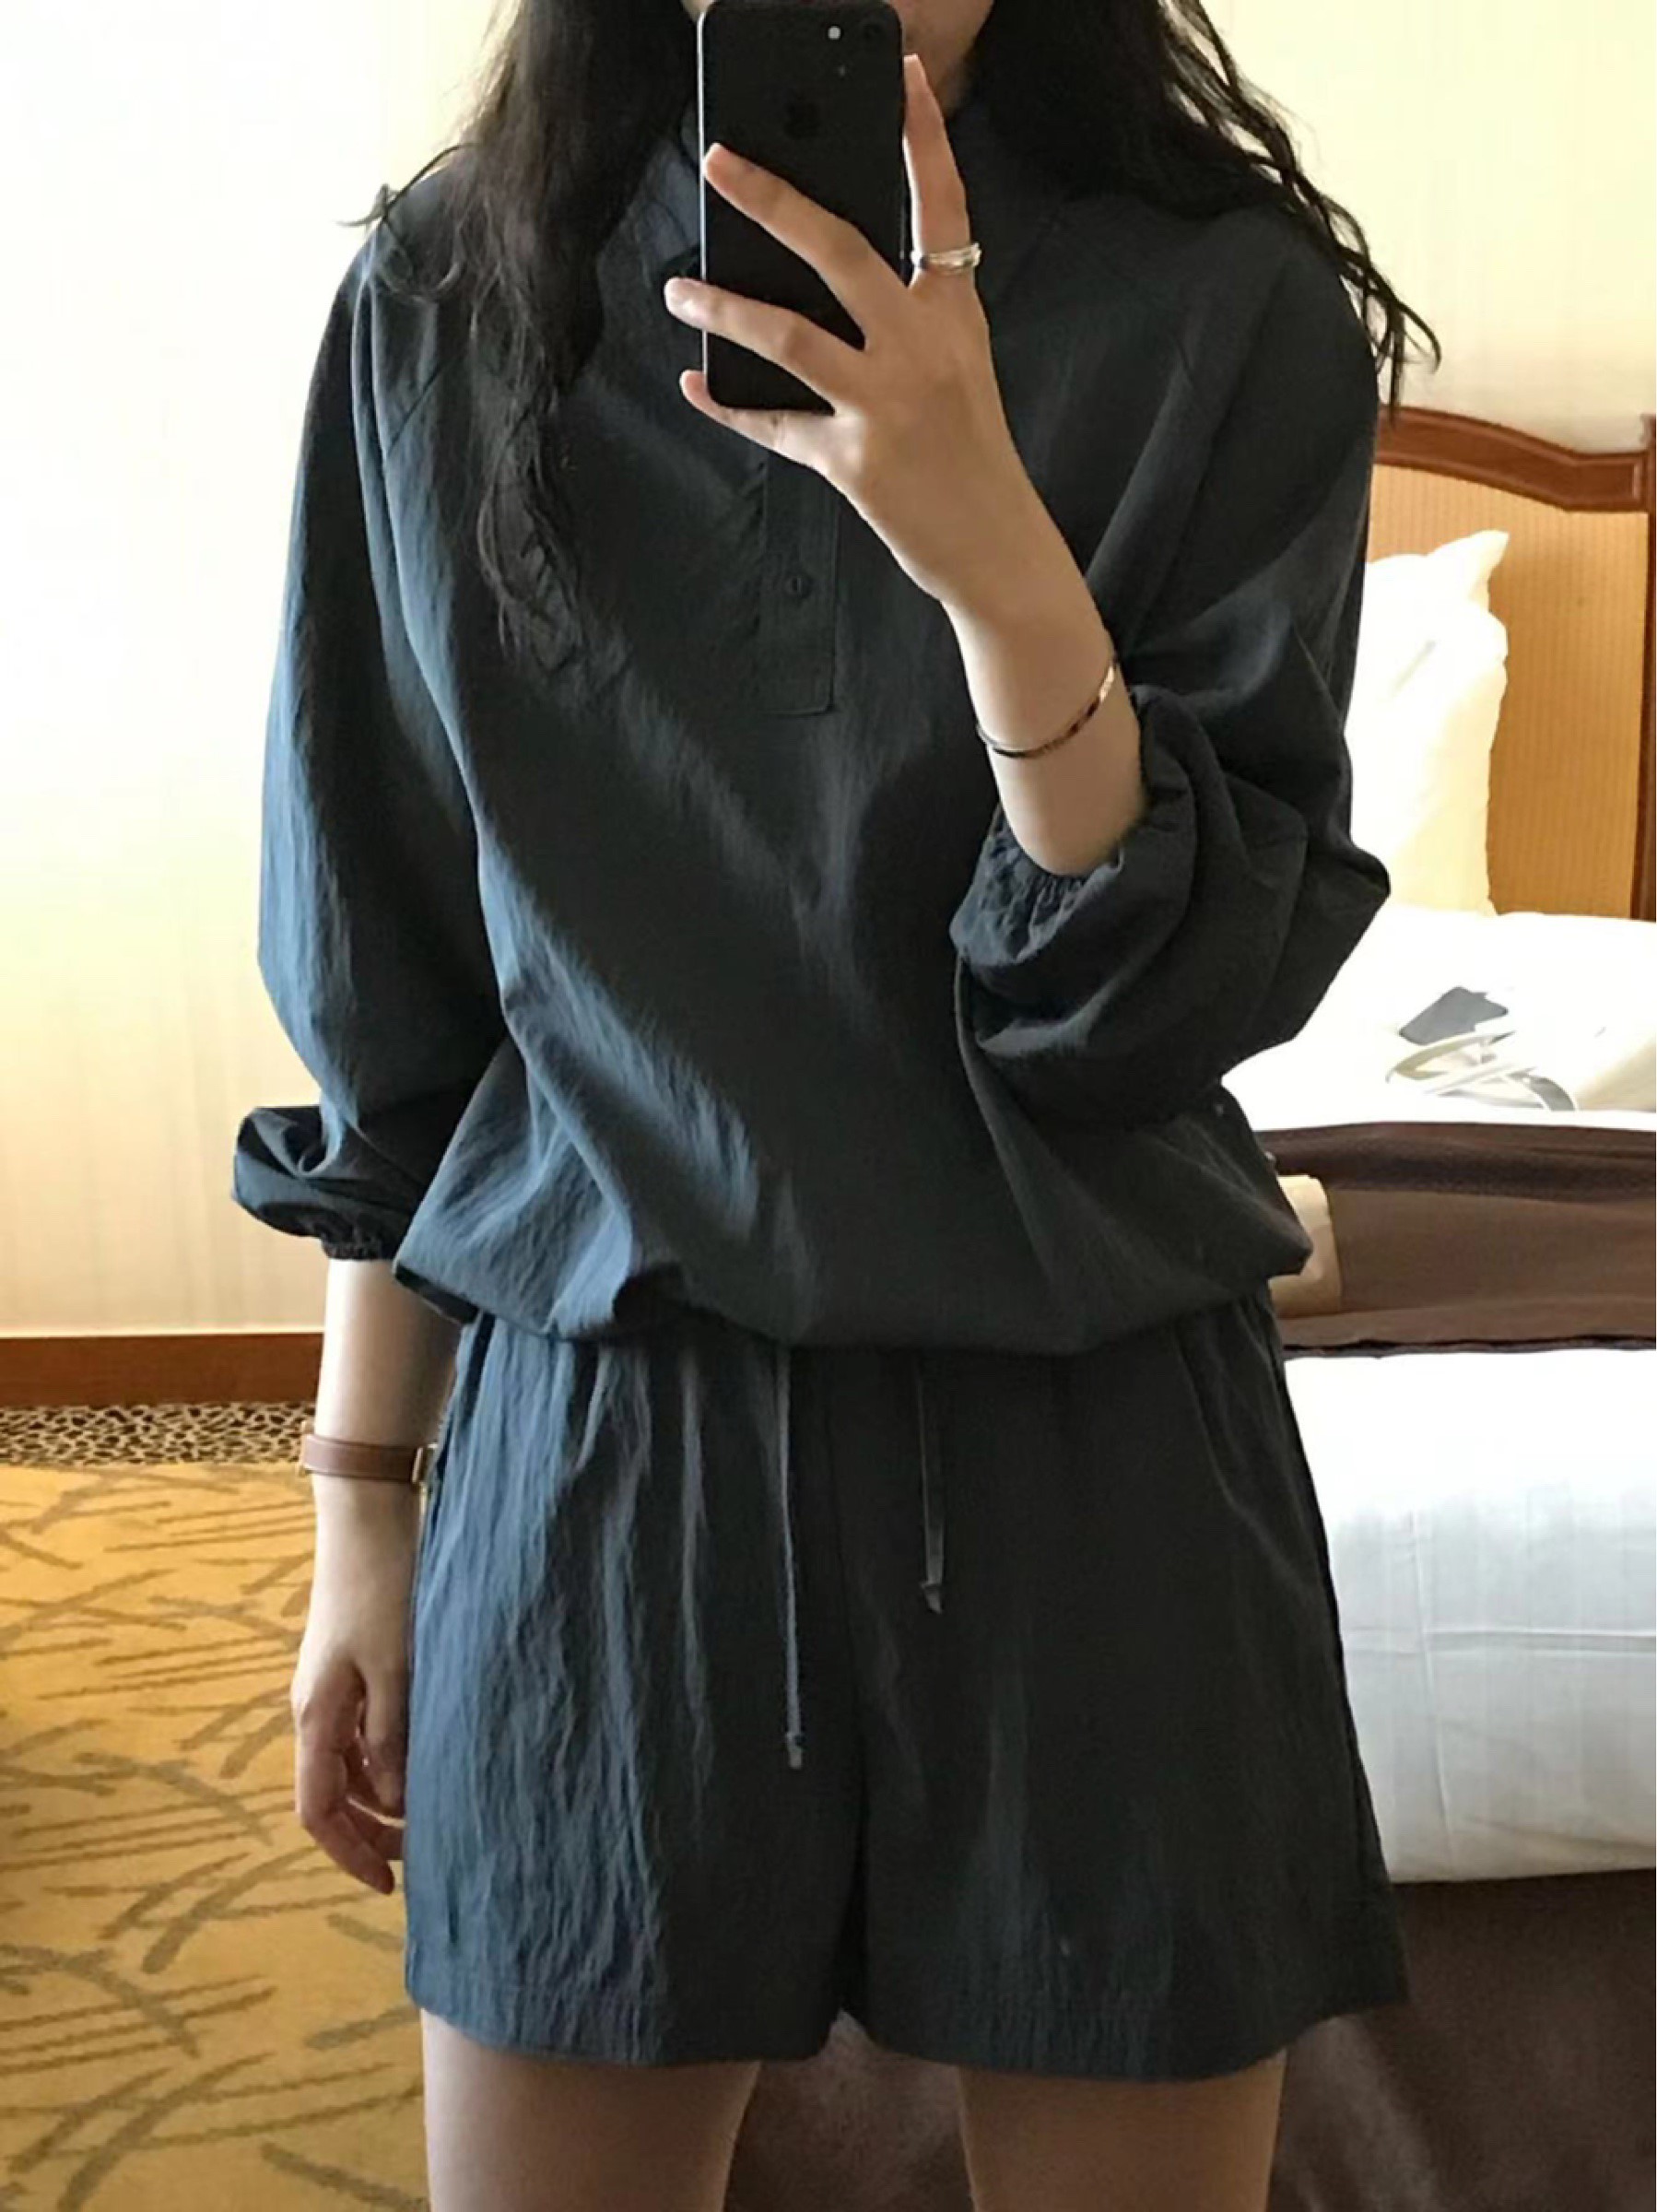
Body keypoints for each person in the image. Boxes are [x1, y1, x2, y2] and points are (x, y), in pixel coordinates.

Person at [232, 2, 1440, 2206]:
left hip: (1101, 1472)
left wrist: (994, 559)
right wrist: (361, 1512)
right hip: (614, 1465)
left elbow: (1155, 1006)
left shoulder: (1220, 302)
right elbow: (401, 1005)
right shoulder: (446, 299)